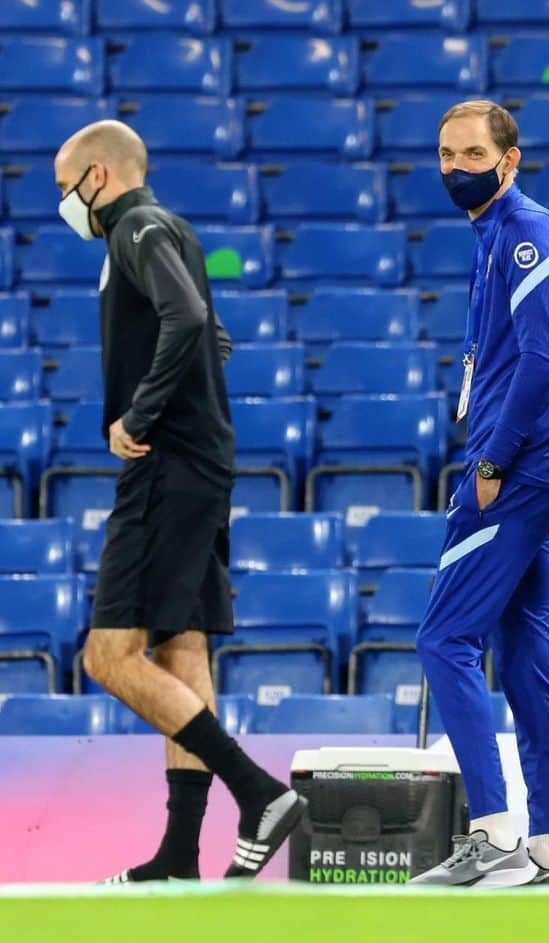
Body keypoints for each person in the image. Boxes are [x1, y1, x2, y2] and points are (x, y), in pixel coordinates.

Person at [53, 120, 304, 882]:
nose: (66, 202)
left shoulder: (133, 227)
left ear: (99, 175)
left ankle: (258, 791)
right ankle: (178, 854)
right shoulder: (172, 228)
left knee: (108, 654)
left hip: (165, 466)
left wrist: (139, 411)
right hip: (201, 465)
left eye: (67, 187)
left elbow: (191, 321)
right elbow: (212, 336)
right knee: (180, 647)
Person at [410, 100, 549, 887]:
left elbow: (542, 363)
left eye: (471, 153)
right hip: (531, 471)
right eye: (445, 153)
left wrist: (491, 463)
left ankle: (496, 836)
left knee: (444, 640)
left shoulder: (524, 238)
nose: (454, 167)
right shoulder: (494, 237)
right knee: (521, 654)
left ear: (509, 160)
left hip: (516, 474)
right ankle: (548, 847)